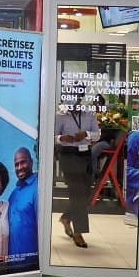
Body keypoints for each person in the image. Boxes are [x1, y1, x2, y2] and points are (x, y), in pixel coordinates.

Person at [55, 89, 99, 248]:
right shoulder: (60, 115)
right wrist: (61, 138)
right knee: (77, 191)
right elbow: (51, 136)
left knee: (86, 191)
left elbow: (97, 134)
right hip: (67, 154)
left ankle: (66, 217)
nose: (75, 102)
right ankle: (78, 232)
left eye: (78, 98)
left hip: (85, 154)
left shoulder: (89, 114)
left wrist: (86, 134)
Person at [7, 146, 38, 264]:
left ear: (31, 162)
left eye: (23, 162)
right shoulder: (13, 194)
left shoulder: (38, 188)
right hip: (12, 263)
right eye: (16, 164)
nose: (19, 167)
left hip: (31, 263)